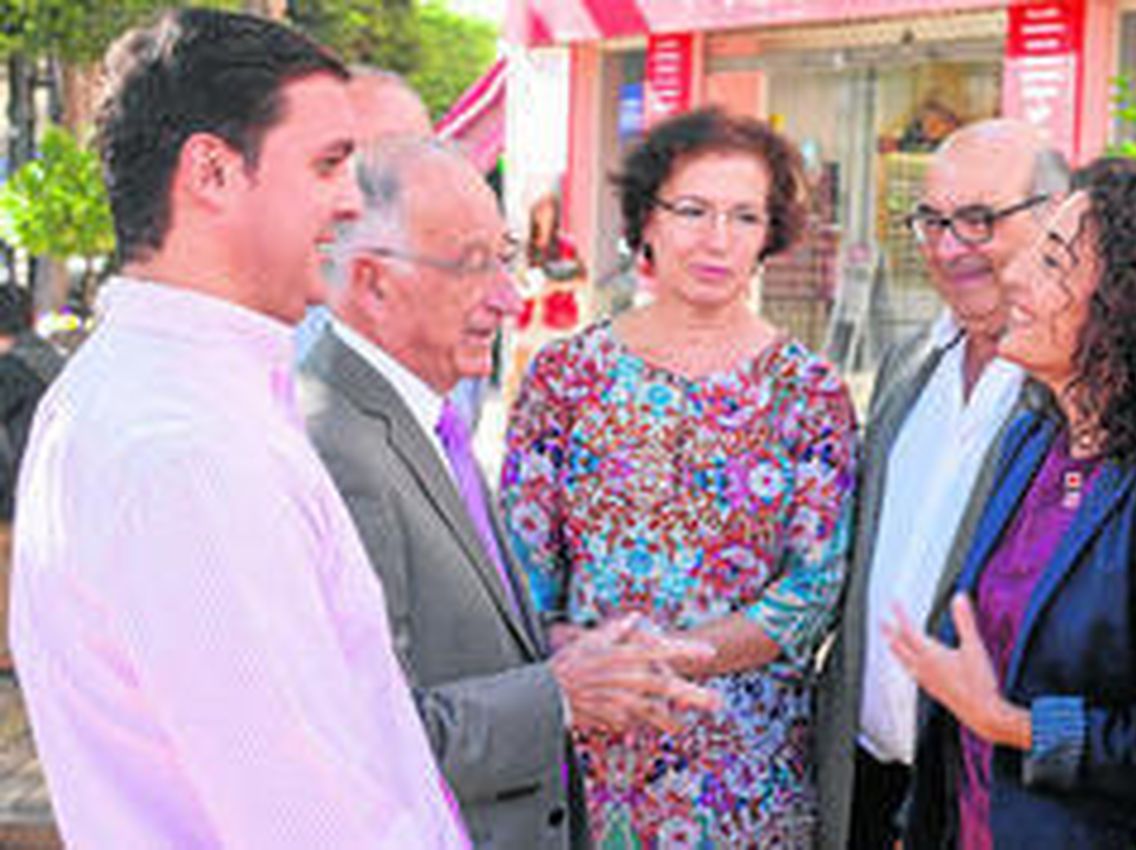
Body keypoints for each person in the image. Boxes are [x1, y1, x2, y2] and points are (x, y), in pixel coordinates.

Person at [8, 10, 467, 847]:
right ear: (212, 172)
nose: (353, 200)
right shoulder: (185, 449)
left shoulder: (173, 401)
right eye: (329, 163)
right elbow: (310, 825)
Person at [301, 137, 719, 849]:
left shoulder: (421, 409)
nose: (508, 296)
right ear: (372, 282)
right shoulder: (336, 442)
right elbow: (362, 745)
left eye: (507, 257)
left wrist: (566, 651)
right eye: (472, 265)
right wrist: (562, 693)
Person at [888, 158, 1136, 848]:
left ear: (1132, 299)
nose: (1012, 276)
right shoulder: (1032, 440)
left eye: (1052, 262)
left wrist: (1011, 725)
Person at [500, 106, 859, 847]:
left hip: (744, 770)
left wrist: (659, 665)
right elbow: (518, 568)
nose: (716, 238)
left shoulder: (809, 390)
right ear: (647, 221)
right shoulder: (566, 375)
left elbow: (814, 588)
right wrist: (592, 664)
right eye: (692, 210)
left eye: (744, 216)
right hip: (585, 748)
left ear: (771, 234)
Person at [813, 119, 1062, 850]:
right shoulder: (909, 364)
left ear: (1057, 216)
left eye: (980, 220)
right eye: (933, 220)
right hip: (863, 784)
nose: (950, 249)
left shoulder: (1079, 394)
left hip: (982, 797)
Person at [294, 65, 433, 363]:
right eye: (381, 153)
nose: (407, 173)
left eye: (422, 152)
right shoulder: (271, 304)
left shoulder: (449, 310)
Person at [0, 285, 63, 520]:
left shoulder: (9, 370)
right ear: (33, 318)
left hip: (16, 508)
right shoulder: (58, 361)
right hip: (55, 502)